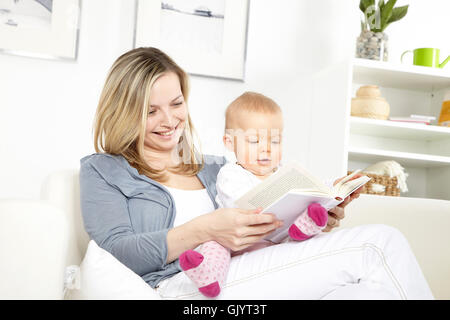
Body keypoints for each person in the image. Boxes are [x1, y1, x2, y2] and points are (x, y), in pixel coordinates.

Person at [79, 47, 434, 300]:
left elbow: (270, 214)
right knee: (378, 243)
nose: (170, 120)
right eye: (151, 110)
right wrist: (205, 229)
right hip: (185, 284)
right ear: (125, 110)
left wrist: (319, 211)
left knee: (366, 293)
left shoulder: (220, 166)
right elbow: (118, 251)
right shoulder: (103, 170)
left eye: (176, 104)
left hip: (253, 267)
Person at [179, 92, 328, 297]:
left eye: (275, 141)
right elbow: (240, 204)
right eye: (254, 141)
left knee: (307, 229)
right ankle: (209, 275)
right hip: (239, 241)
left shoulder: (284, 173)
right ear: (230, 143)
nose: (266, 149)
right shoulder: (231, 174)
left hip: (278, 237)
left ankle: (303, 228)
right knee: (214, 245)